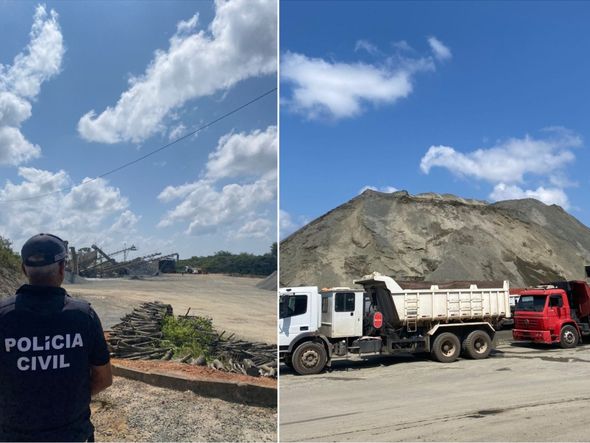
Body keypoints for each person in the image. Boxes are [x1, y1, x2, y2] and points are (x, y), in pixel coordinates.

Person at [0, 233, 112, 442]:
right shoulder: (83, 315)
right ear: (62, 269)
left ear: (24, 269)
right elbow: (104, 379)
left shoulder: (3, 316)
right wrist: (72, 401)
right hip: (73, 435)